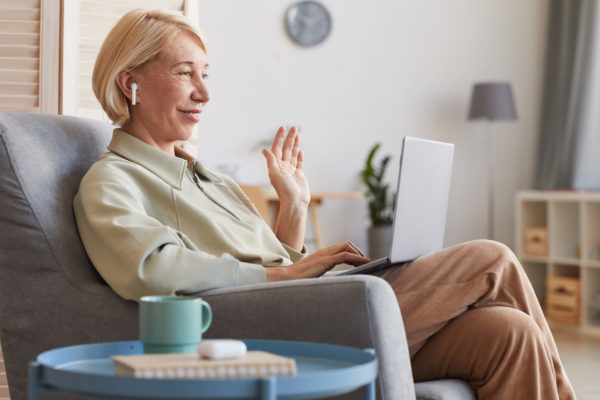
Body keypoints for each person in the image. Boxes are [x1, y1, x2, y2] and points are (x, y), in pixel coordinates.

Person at [73, 9, 575, 400]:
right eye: (186, 73)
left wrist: (293, 208)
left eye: (206, 74)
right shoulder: (111, 180)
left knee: (509, 333)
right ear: (129, 83)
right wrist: (285, 278)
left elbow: (280, 262)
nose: (204, 92)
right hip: (260, 332)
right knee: (492, 259)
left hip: (305, 306)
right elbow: (149, 269)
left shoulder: (209, 180)